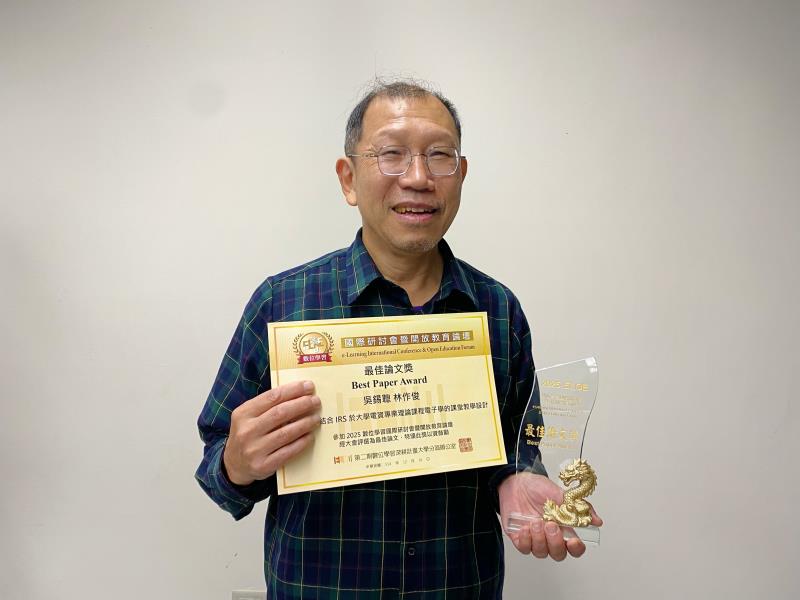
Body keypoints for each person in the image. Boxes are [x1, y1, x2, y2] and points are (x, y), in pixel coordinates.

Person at [196, 80, 602, 599]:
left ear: (461, 175)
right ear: (348, 179)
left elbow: (520, 443)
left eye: (439, 156)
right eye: (392, 154)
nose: (418, 177)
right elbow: (216, 466)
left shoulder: (498, 310)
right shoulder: (283, 304)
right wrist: (236, 463)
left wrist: (518, 477)